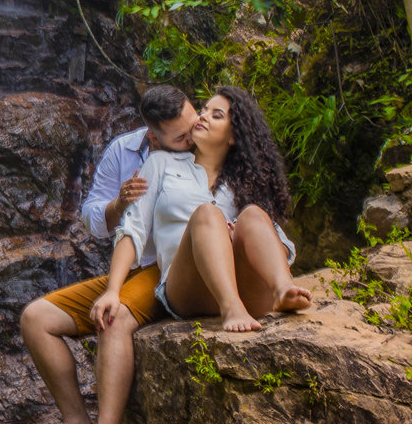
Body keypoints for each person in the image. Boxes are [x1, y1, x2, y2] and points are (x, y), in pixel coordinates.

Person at [20, 85, 199, 424]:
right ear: (153, 136)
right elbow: (92, 217)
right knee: (36, 319)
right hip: (129, 264)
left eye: (194, 124)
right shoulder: (124, 151)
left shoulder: (202, 147)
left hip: (171, 265)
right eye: (181, 137)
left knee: (112, 317)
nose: (191, 138)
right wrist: (119, 204)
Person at [98, 85, 310, 340]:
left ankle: (284, 291)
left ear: (233, 136)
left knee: (253, 214)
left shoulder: (245, 182)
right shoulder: (160, 164)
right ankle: (231, 307)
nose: (203, 117)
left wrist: (234, 234)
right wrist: (112, 290)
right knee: (207, 214)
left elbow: (280, 246)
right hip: (188, 289)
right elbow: (133, 230)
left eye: (216, 115)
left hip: (248, 288)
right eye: (204, 110)